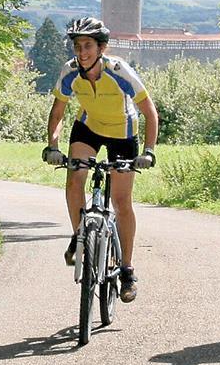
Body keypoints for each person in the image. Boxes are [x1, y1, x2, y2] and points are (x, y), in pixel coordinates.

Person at [41, 17, 160, 303]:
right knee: (74, 179)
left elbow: (150, 113)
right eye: (77, 46)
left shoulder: (119, 71)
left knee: (121, 202)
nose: (82, 53)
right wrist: (53, 145)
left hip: (123, 131)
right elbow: (57, 114)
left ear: (101, 48)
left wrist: (149, 151)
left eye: (88, 46)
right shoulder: (70, 72)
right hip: (89, 127)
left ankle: (127, 270)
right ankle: (80, 237)